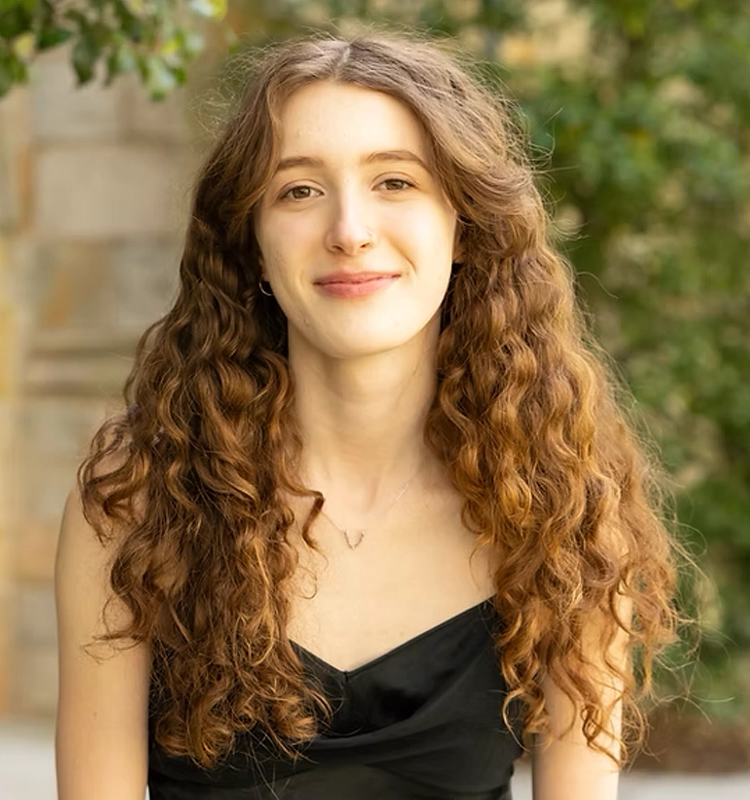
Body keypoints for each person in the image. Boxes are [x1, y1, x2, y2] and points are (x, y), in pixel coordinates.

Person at [55, 31, 682, 800]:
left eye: (395, 182)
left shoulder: (564, 510)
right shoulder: (135, 499)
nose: (349, 230)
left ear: (464, 227)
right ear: (250, 242)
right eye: (299, 190)